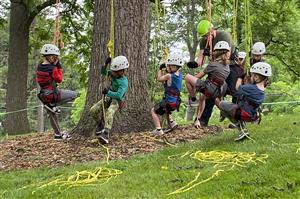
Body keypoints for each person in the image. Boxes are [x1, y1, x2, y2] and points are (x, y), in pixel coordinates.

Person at [187, 19, 235, 127]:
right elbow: (200, 59)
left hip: (229, 63)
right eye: (203, 36)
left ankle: (235, 116)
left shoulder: (224, 36)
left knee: (233, 90)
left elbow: (227, 55)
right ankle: (202, 120)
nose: (204, 38)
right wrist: (194, 64)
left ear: (212, 30)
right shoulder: (204, 41)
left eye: (206, 35)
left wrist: (214, 61)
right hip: (215, 66)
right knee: (209, 92)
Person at [216, 62, 272, 141]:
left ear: (257, 77)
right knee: (226, 111)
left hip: (244, 113)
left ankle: (241, 129)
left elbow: (237, 87)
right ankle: (241, 128)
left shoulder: (252, 88)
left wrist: (240, 77)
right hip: (252, 114)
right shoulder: (261, 89)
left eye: (252, 75)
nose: (251, 77)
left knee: (222, 104)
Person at [36, 44, 77, 141]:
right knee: (73, 95)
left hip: (43, 96)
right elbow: (59, 79)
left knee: (52, 114)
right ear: (50, 56)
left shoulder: (39, 66)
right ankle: (52, 104)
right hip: (53, 95)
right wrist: (59, 68)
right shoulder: (53, 68)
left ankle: (57, 135)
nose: (56, 59)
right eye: (55, 57)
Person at [185, 41, 230, 129]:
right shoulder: (227, 66)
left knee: (187, 77)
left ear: (216, 52)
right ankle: (198, 120)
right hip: (217, 90)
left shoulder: (213, 65)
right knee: (202, 98)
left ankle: (192, 98)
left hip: (208, 87)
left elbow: (199, 76)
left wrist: (194, 83)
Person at [90, 56, 129, 144]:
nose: (111, 72)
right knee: (93, 110)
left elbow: (119, 95)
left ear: (121, 71)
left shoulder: (123, 82)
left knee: (110, 111)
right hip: (108, 98)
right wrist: (106, 64)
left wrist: (108, 92)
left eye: (114, 71)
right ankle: (100, 125)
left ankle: (106, 133)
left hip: (116, 101)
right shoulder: (112, 74)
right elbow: (103, 72)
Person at [151, 52, 183, 135]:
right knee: (167, 110)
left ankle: (158, 130)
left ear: (175, 66)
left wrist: (160, 69)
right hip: (176, 102)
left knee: (153, 111)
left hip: (169, 102)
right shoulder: (179, 75)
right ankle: (172, 123)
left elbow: (159, 78)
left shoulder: (169, 76)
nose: (168, 67)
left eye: (169, 66)